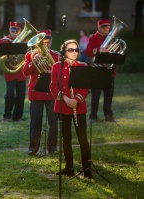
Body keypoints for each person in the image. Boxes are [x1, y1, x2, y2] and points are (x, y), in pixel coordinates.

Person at [49, 39, 92, 178]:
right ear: (64, 52)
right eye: (70, 50)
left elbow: (86, 87)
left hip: (79, 108)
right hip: (63, 107)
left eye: (76, 50)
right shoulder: (56, 66)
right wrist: (66, 99)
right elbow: (53, 87)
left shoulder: (83, 66)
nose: (74, 52)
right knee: (66, 139)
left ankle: (87, 170)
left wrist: (76, 99)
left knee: (83, 139)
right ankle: (69, 167)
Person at [22, 29, 60, 156]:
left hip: (52, 92)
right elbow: (25, 72)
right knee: (36, 121)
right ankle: (33, 148)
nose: (46, 45)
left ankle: (52, 147)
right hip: (36, 92)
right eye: (43, 43)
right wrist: (34, 61)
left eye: (48, 42)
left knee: (53, 122)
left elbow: (61, 73)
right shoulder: (30, 55)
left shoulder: (56, 55)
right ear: (38, 43)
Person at [0, 21, 27, 121]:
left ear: (20, 31)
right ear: (9, 30)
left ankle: (18, 116)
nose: (15, 32)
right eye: (13, 30)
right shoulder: (4, 41)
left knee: (21, 95)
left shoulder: (25, 42)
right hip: (10, 72)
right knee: (10, 93)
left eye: (17, 30)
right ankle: (7, 115)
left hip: (21, 72)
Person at [85, 19, 116, 123]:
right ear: (98, 27)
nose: (106, 29)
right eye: (103, 27)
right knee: (96, 95)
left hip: (109, 70)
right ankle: (93, 117)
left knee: (109, 95)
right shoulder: (93, 38)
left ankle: (108, 116)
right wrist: (99, 50)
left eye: (107, 27)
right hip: (97, 71)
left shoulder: (112, 38)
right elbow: (88, 51)